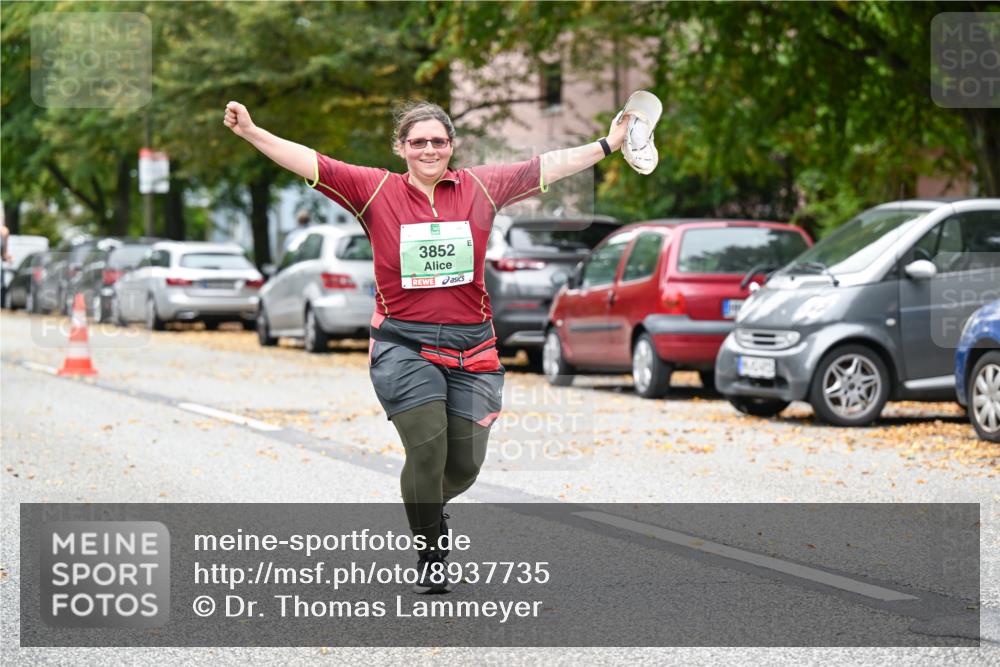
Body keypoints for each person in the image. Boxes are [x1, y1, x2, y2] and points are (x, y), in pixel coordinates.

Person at [224, 98, 631, 594]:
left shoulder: (481, 186)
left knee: (464, 467)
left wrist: (608, 143)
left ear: (451, 146)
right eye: (418, 142)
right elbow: (311, 161)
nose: (430, 149)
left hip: (473, 350)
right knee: (426, 450)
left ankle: (428, 510)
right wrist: (252, 133)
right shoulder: (374, 190)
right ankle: (431, 550)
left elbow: (547, 166)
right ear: (401, 148)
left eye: (439, 141)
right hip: (403, 345)